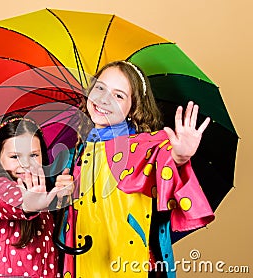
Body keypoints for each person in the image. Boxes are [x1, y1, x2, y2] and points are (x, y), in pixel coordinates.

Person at [56, 61, 215, 278]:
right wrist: (63, 193)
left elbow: (162, 160)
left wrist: (179, 156)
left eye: (118, 95)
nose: (104, 99)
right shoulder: (79, 150)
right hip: (85, 264)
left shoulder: (141, 147)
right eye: (100, 88)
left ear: (134, 108)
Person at [0, 114, 71, 278]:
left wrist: (60, 197)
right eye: (15, 156)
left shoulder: (45, 196)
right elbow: (10, 199)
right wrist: (29, 202)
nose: (26, 164)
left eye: (34, 155)